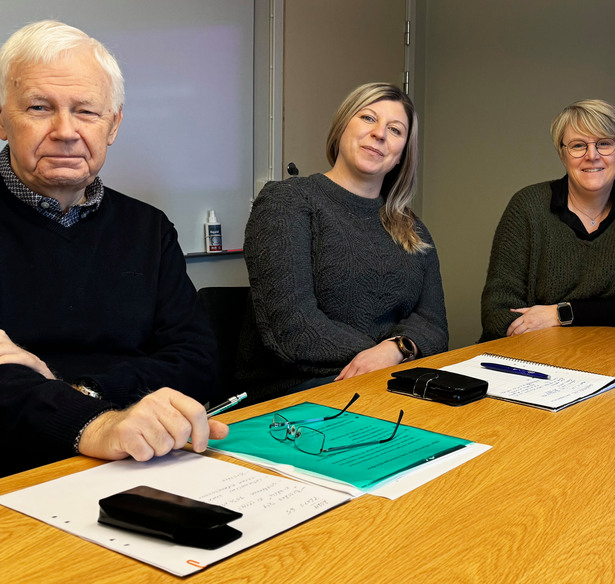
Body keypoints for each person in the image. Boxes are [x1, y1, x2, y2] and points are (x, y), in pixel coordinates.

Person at [0, 20, 227, 478]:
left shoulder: (148, 228)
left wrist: (82, 393)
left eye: (86, 112)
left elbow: (197, 359)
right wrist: (97, 421)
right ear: (2, 118)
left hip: (143, 455)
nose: (66, 130)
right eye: (40, 107)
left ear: (114, 125)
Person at [237, 82, 448, 401]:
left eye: (395, 130)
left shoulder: (411, 228)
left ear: (401, 155)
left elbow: (434, 325)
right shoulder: (288, 203)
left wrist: (394, 351)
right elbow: (294, 328)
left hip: (386, 383)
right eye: (368, 118)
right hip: (295, 392)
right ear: (341, 126)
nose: (380, 134)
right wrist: (382, 358)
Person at [481, 99, 615, 341]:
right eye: (577, 146)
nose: (592, 156)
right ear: (562, 155)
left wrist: (561, 314)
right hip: (528, 358)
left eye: (604, 144)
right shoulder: (527, 207)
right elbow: (498, 313)